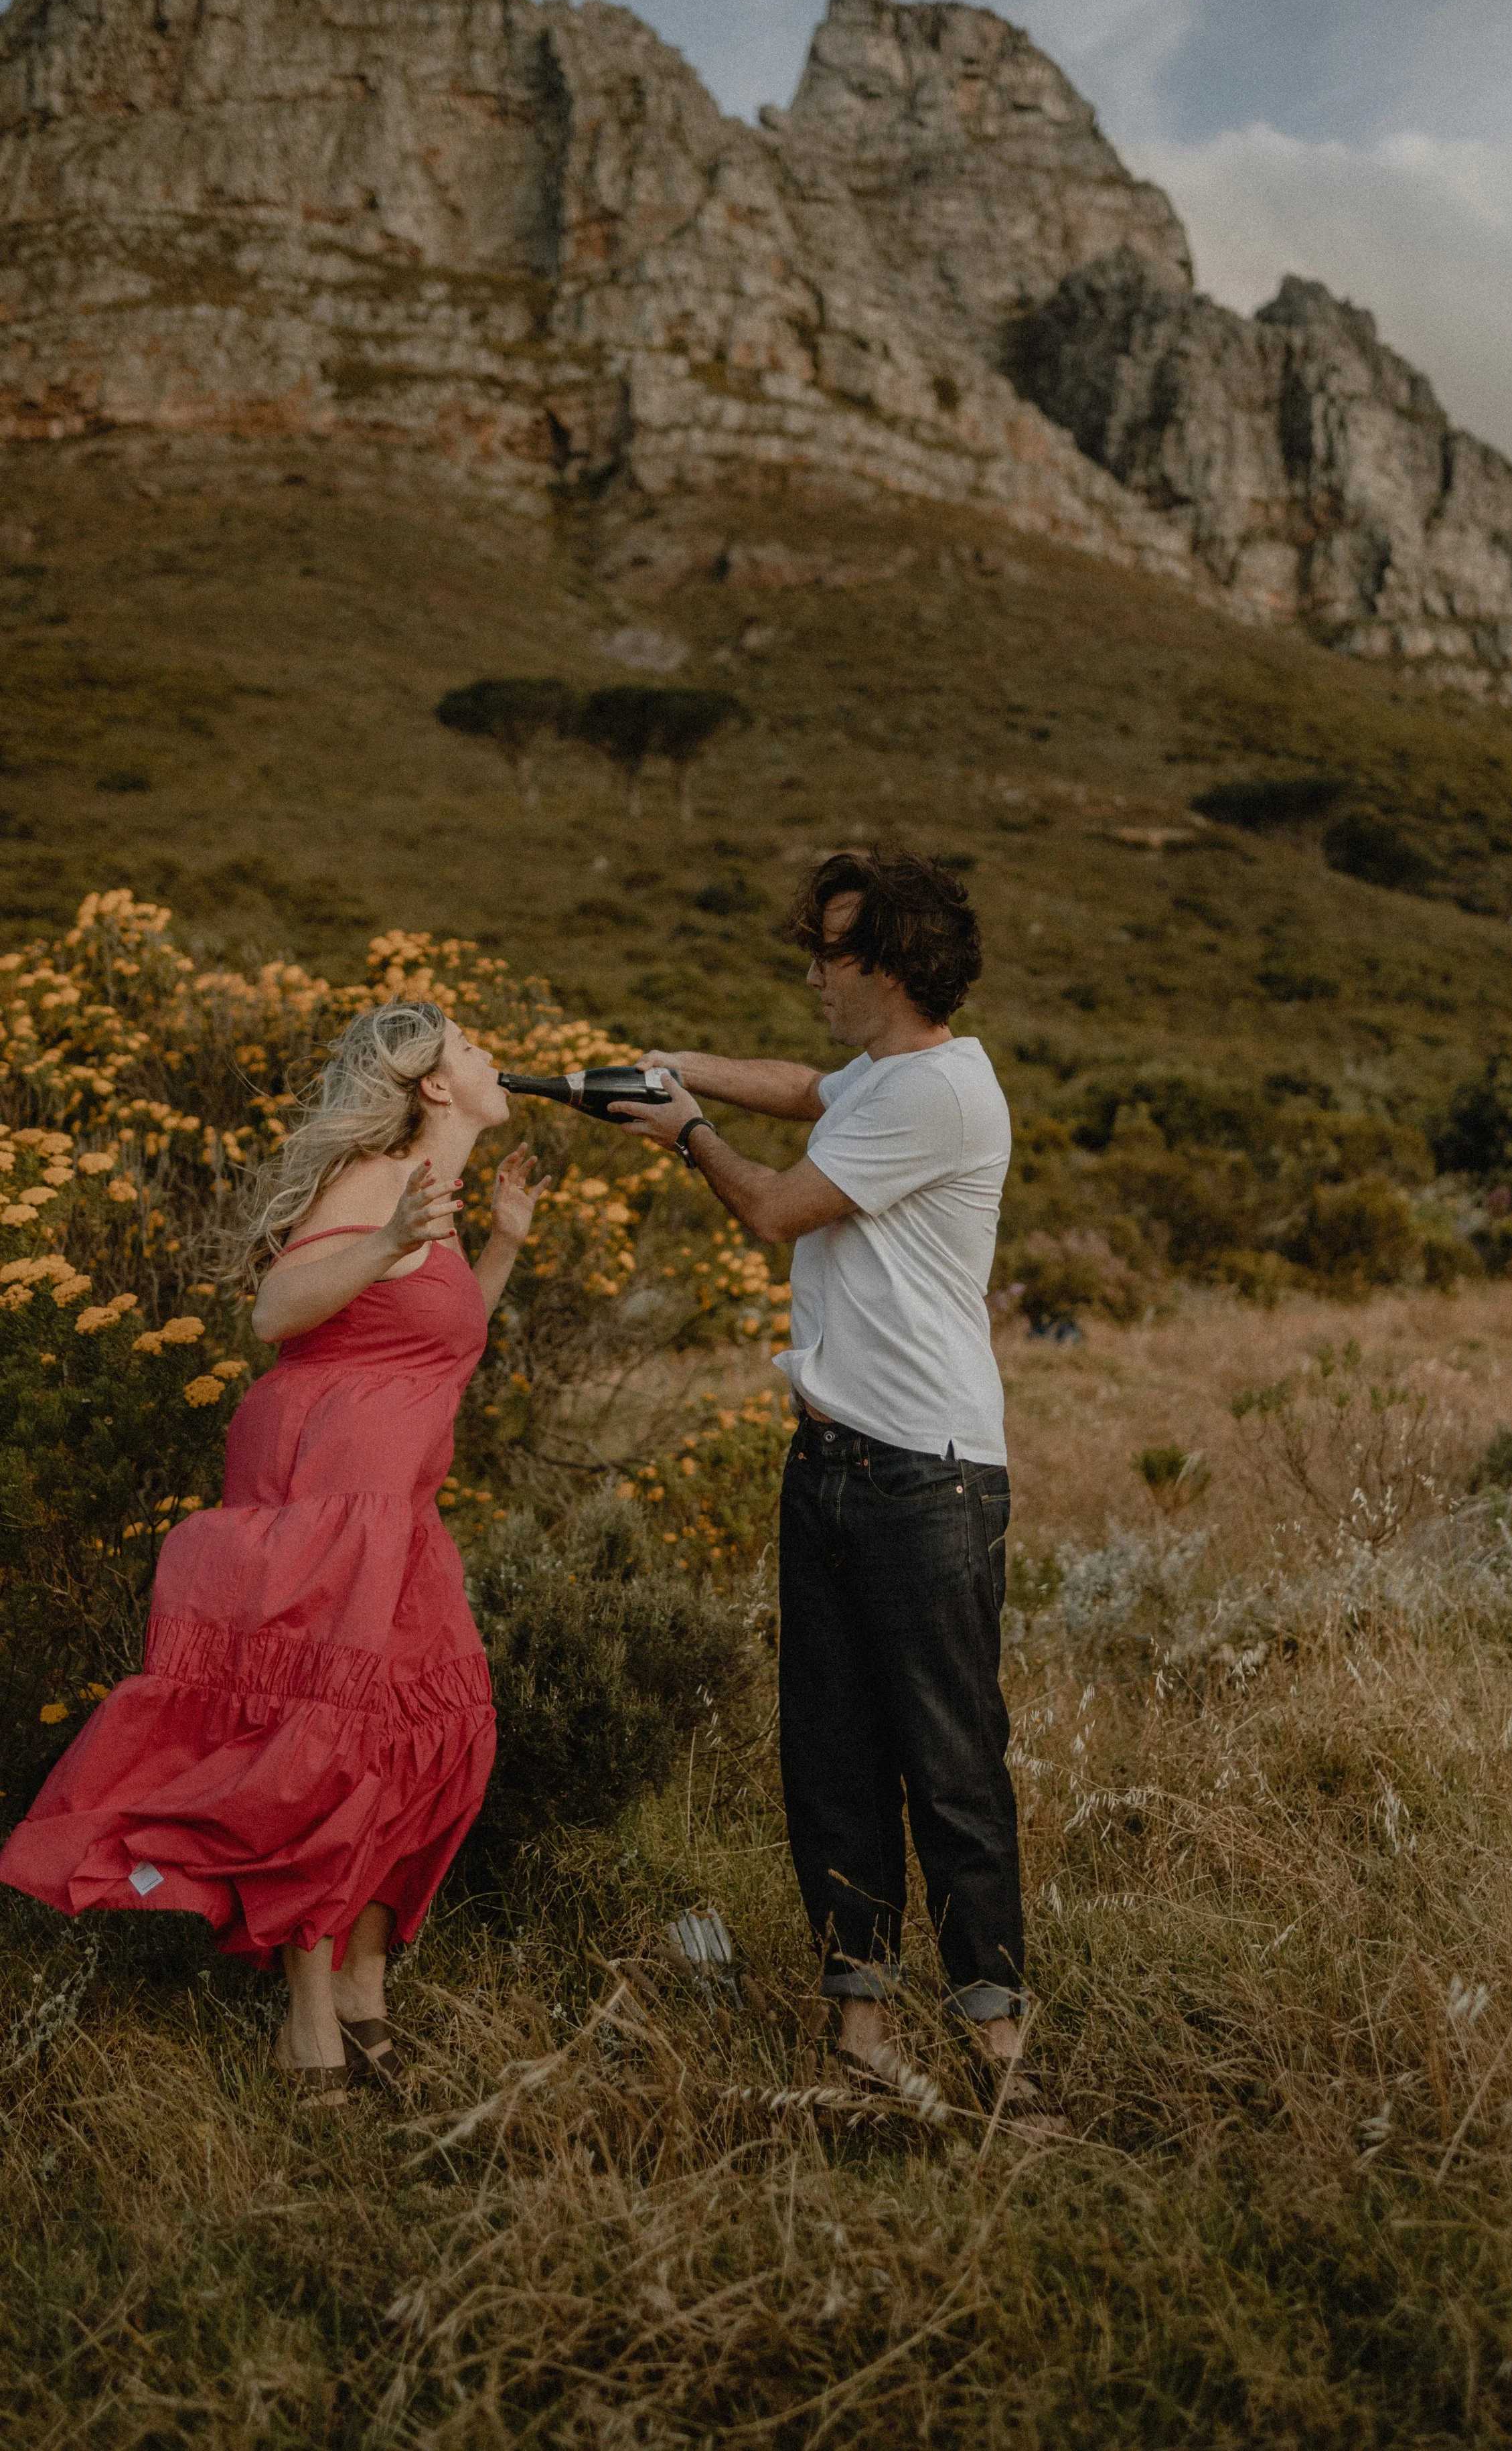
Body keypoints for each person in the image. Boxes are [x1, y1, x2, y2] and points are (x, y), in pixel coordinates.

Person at [0, 1001, 548, 2105]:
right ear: (434, 1086)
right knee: (326, 1742)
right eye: (470, 1046)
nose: (492, 1056)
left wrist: (501, 1243)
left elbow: (435, 1344)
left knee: (441, 1731)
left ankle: (360, 1983)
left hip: (395, 1501)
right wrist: (388, 1238)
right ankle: (312, 2025)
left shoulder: (432, 1200)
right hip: (327, 1490)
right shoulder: (375, 1179)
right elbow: (275, 1310)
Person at [610, 848, 1058, 2127]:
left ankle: (1003, 2057)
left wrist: (685, 1133)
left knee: (951, 1766)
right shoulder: (883, 1077)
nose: (812, 971)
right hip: (834, 1464)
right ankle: (862, 2035)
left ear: (895, 966)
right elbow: (809, 1089)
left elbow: (773, 1209)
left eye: (831, 951)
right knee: (833, 1760)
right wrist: (685, 1067)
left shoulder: (941, 1095)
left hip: (925, 1477)